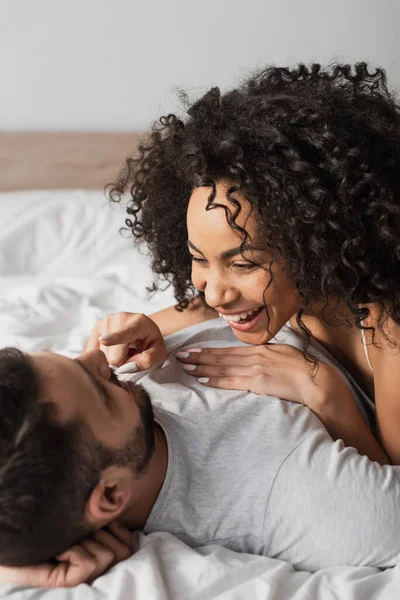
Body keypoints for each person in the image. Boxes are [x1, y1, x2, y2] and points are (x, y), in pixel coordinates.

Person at [88, 62, 400, 464]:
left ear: (315, 243)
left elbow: (392, 493)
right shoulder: (260, 295)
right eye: (199, 258)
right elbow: (109, 350)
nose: (215, 292)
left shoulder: (389, 331)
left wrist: (322, 392)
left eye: (245, 264)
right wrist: (129, 333)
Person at [1, 315, 400, 589]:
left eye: (73, 359)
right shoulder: (292, 491)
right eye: (99, 389)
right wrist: (326, 394)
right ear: (109, 496)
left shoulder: (86, 401)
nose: (96, 357)